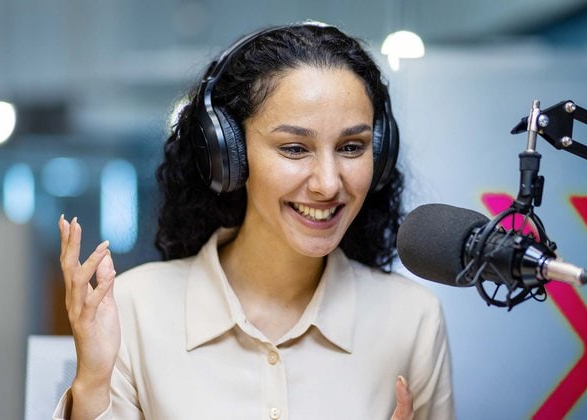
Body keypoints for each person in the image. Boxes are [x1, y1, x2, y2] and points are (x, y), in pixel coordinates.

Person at [54, 21, 454, 419]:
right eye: (295, 148)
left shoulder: (412, 319)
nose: (329, 184)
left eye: (352, 147)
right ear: (227, 156)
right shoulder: (134, 308)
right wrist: (91, 384)